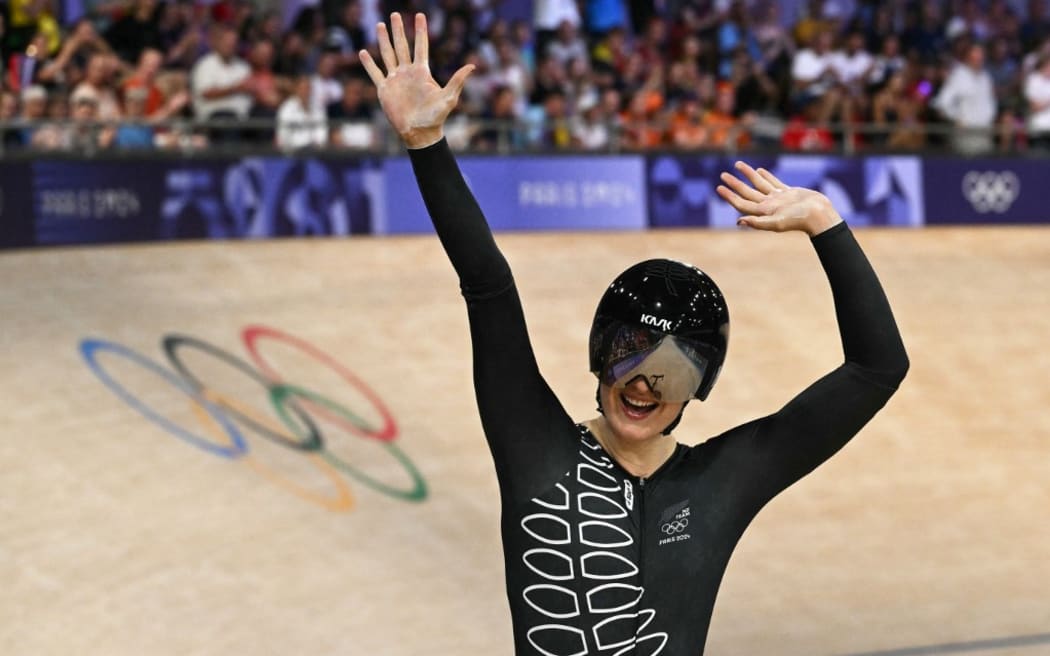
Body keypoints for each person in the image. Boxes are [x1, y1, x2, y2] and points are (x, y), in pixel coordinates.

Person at [360, 13, 909, 655]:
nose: (644, 385)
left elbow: (878, 369)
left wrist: (826, 224)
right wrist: (427, 145)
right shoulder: (530, 441)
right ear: (599, 356)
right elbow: (488, 286)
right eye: (628, 356)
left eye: (672, 369)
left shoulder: (724, 480)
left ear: (698, 387)